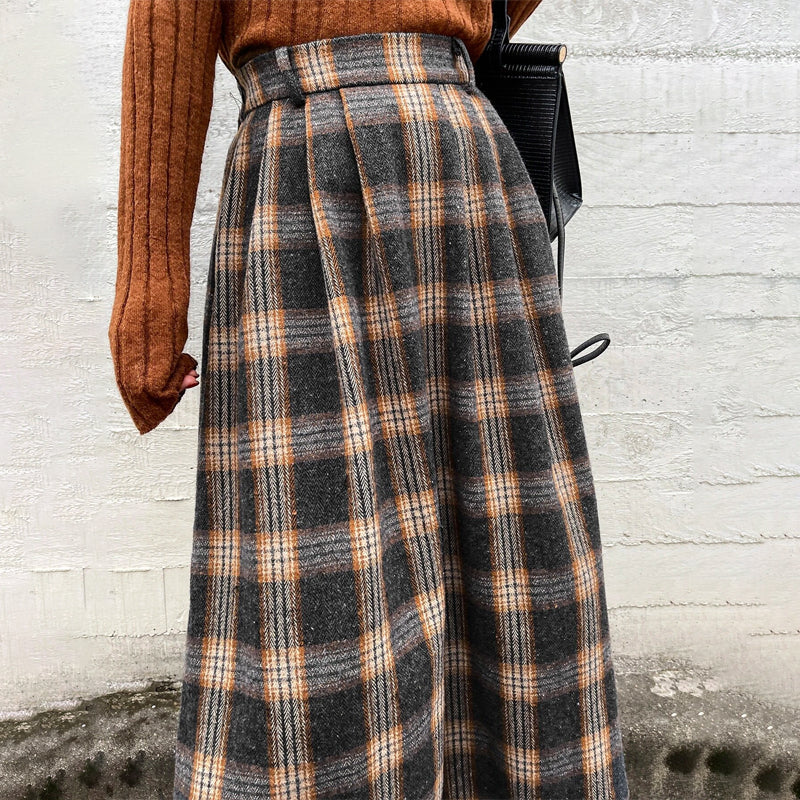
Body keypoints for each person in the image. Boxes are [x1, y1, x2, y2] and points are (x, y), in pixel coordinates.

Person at [108, 2, 630, 798]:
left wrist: (148, 314)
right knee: (345, 554)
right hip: (374, 160)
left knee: (475, 526)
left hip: (392, 155)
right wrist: (151, 300)